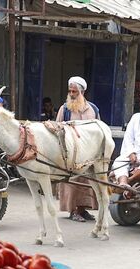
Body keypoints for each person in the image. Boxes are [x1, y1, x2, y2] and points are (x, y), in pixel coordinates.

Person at [55, 77, 101, 223]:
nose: (71, 94)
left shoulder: (93, 109)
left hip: (88, 152)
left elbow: (99, 129)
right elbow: (57, 129)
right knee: (72, 181)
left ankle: (82, 209)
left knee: (87, 181)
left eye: (74, 91)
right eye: (70, 91)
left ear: (82, 91)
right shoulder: (65, 109)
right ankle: (73, 210)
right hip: (70, 153)